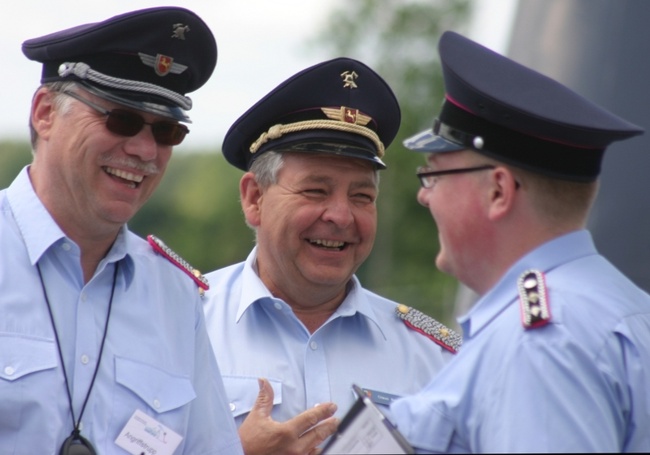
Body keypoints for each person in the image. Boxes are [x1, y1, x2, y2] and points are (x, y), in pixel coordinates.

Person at [389, 30, 650, 453]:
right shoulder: (624, 308)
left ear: (498, 192)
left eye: (433, 173)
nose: (424, 194)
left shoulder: (539, 344)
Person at [0, 7, 243, 454]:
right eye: (121, 120)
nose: (145, 149)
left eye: (167, 131)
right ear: (46, 112)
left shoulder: (174, 296)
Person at [202, 57, 462, 455]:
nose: (341, 216)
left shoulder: (432, 356)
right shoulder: (182, 322)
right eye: (315, 191)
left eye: (361, 196)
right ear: (255, 199)